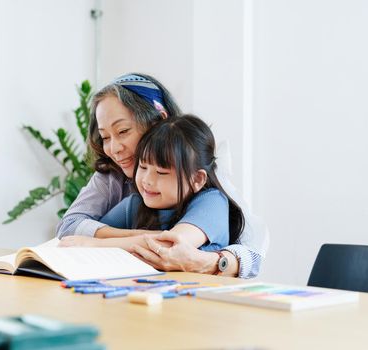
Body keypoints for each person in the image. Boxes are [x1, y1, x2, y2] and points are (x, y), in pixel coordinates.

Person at [57, 73, 269, 278]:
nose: (114, 148)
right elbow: (69, 230)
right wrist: (139, 238)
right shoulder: (124, 190)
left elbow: (252, 253)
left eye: (123, 131)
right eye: (104, 137)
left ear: (158, 121)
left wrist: (96, 243)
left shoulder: (209, 193)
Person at [63, 115, 244, 254]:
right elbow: (79, 235)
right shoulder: (135, 204)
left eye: (161, 172)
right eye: (143, 166)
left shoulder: (212, 202)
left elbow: (171, 245)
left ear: (197, 179)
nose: (147, 180)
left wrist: (97, 245)